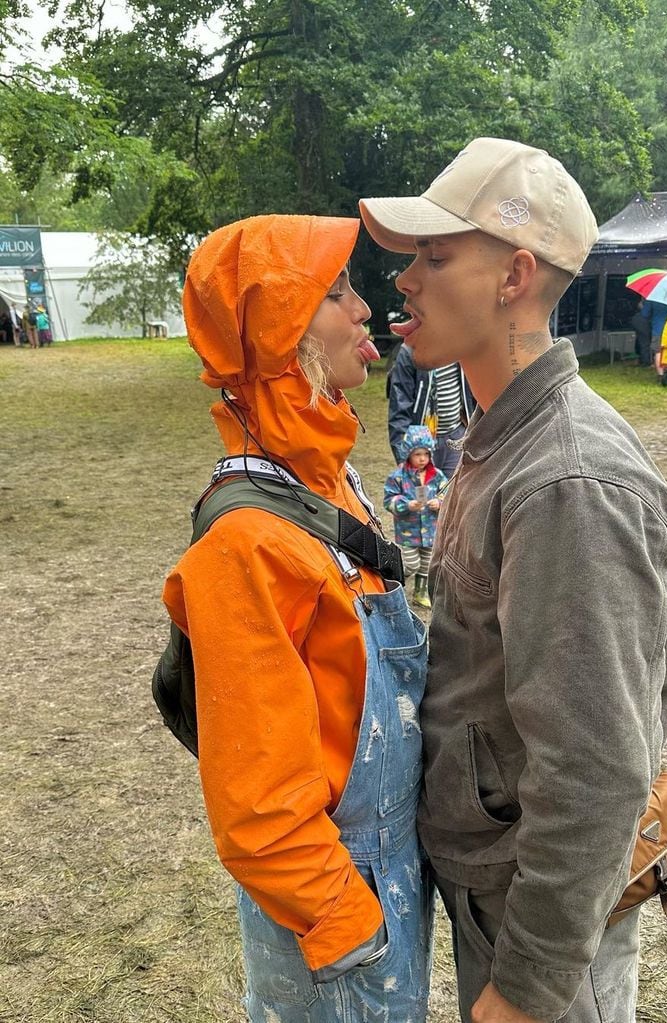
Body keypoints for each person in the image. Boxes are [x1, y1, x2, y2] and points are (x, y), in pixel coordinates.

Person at [360, 137, 667, 1023]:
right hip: (495, 869)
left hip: (530, 902)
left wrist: (529, 987)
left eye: (434, 257)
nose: (405, 280)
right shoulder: (502, 432)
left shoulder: (565, 482)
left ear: (512, 277)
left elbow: (596, 766)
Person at [160, 215, 433, 1022]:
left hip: (392, 871)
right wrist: (351, 924)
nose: (364, 310)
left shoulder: (328, 483)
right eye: (336, 291)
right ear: (278, 325)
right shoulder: (247, 540)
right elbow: (257, 805)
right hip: (332, 908)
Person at [388, 341, 475, 477]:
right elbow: (399, 406)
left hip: (456, 437)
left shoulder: (461, 346)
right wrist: (402, 455)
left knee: (453, 494)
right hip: (420, 443)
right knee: (423, 495)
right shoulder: (411, 351)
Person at [383, 424, 447, 608]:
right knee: (410, 564)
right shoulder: (398, 477)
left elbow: (448, 493)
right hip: (408, 531)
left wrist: (440, 502)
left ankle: (420, 593)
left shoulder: (437, 475)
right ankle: (392, 584)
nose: (422, 458)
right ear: (408, 453)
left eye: (426, 454)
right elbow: (389, 500)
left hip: (431, 531)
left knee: (427, 564)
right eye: (418, 454)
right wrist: (406, 505)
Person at [641, 298, 667, 382]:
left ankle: (661, 375)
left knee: (658, 351)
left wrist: (641, 305)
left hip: (658, 329)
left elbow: (644, 314)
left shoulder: (652, 298)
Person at [630, 298, 652, 366]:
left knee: (641, 341)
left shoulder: (649, 297)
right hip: (643, 321)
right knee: (645, 342)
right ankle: (646, 361)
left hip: (638, 319)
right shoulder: (653, 300)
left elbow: (640, 305)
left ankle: (641, 359)